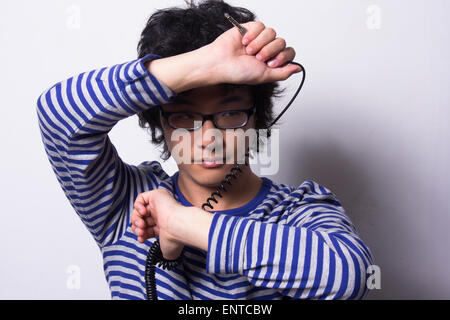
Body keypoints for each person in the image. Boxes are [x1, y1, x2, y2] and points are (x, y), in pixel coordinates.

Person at [36, 0, 373, 300]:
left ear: (257, 118)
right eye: (184, 116)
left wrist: (182, 224)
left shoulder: (297, 211)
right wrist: (204, 65)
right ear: (161, 122)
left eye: (230, 113)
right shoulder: (128, 204)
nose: (208, 137)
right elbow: (57, 114)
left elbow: (349, 275)